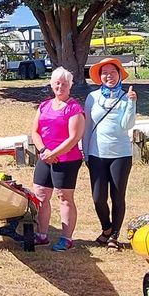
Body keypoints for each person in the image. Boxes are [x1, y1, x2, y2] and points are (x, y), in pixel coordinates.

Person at [84, 57, 137, 249]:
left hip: (121, 154)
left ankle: (114, 235)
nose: (109, 76)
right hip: (96, 153)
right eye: (105, 72)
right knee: (98, 197)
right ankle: (106, 228)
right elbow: (87, 126)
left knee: (117, 195)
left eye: (113, 72)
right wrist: (85, 153)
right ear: (99, 76)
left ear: (119, 75)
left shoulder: (126, 97)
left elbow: (127, 125)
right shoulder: (92, 97)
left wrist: (131, 104)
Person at [30, 67, 86, 251]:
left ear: (70, 85)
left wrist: (55, 153)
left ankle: (66, 238)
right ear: (52, 84)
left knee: (64, 197)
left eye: (64, 84)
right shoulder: (44, 105)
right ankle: (42, 234)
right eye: (57, 83)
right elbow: (35, 131)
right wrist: (44, 150)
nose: (60, 86)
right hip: (45, 157)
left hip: (67, 159)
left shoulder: (74, 108)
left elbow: (74, 137)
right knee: (40, 195)